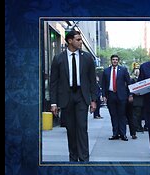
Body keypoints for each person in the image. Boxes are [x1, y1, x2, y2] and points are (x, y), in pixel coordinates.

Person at [50, 30, 97, 162]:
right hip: (66, 97)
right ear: (70, 41)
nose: (81, 42)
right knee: (71, 129)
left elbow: (92, 80)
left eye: (81, 39)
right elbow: (53, 82)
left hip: (81, 96)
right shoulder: (58, 58)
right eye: (78, 39)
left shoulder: (87, 58)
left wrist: (93, 100)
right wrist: (53, 103)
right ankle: (73, 158)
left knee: (82, 127)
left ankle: (84, 158)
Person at [102, 54, 132, 141]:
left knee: (122, 115)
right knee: (113, 115)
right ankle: (115, 133)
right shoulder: (106, 71)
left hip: (122, 96)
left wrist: (130, 94)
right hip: (111, 95)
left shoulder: (123, 70)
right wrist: (104, 95)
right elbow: (103, 84)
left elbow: (128, 82)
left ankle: (123, 134)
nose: (114, 61)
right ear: (111, 61)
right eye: (113, 59)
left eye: (116, 59)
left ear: (118, 61)